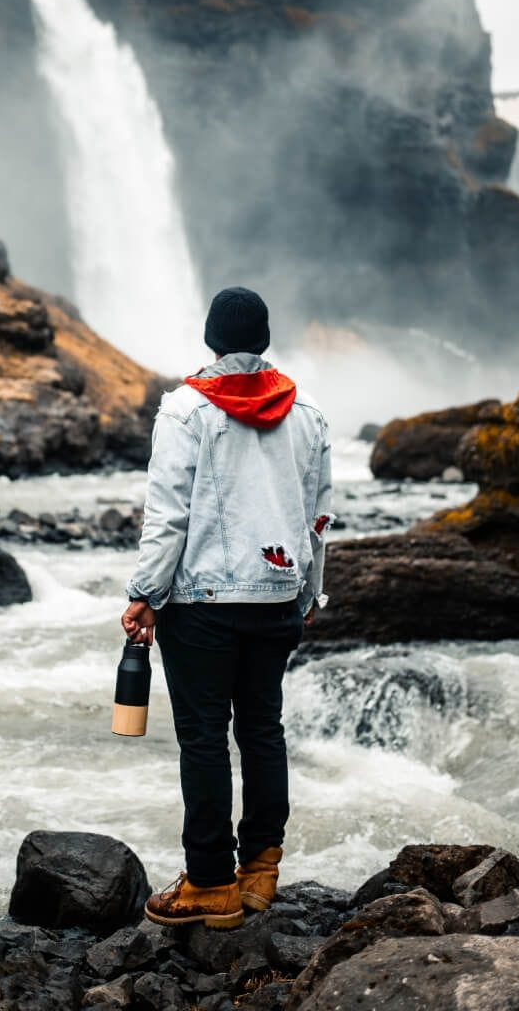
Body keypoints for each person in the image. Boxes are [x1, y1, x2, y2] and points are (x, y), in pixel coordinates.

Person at [121, 286, 333, 930]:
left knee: (205, 738)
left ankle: (210, 883)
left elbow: (168, 515)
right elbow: (317, 517)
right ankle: (261, 872)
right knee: (263, 729)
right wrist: (308, 592)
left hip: (203, 601)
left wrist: (144, 594)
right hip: (277, 598)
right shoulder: (309, 416)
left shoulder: (185, 411)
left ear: (213, 338)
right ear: (263, 339)